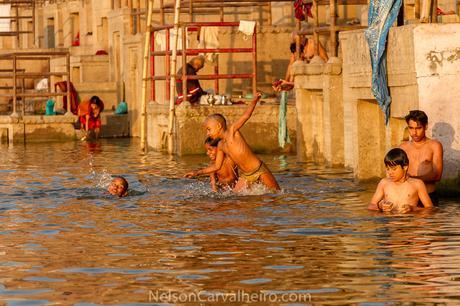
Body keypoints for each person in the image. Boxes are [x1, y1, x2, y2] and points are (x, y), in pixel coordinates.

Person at [184, 93, 280, 192]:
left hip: (259, 170)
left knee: (276, 195)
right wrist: (197, 172)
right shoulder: (221, 145)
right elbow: (217, 166)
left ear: (218, 126)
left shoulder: (232, 131)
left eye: (209, 129)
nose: (207, 133)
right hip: (246, 176)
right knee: (235, 198)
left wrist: (254, 101)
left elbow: (246, 116)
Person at [368, 148, 433, 213]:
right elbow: (371, 206)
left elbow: (430, 209)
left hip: (409, 221)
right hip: (389, 221)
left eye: (394, 169)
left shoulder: (417, 184)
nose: (390, 173)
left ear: (405, 167)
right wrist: (380, 206)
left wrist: (413, 209)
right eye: (388, 169)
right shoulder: (384, 183)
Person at [400, 110, 443, 205]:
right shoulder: (403, 147)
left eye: (418, 128)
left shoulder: (434, 146)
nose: (414, 132)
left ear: (426, 126)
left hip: (429, 195)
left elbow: (437, 175)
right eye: (411, 128)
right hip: (408, 197)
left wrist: (412, 178)